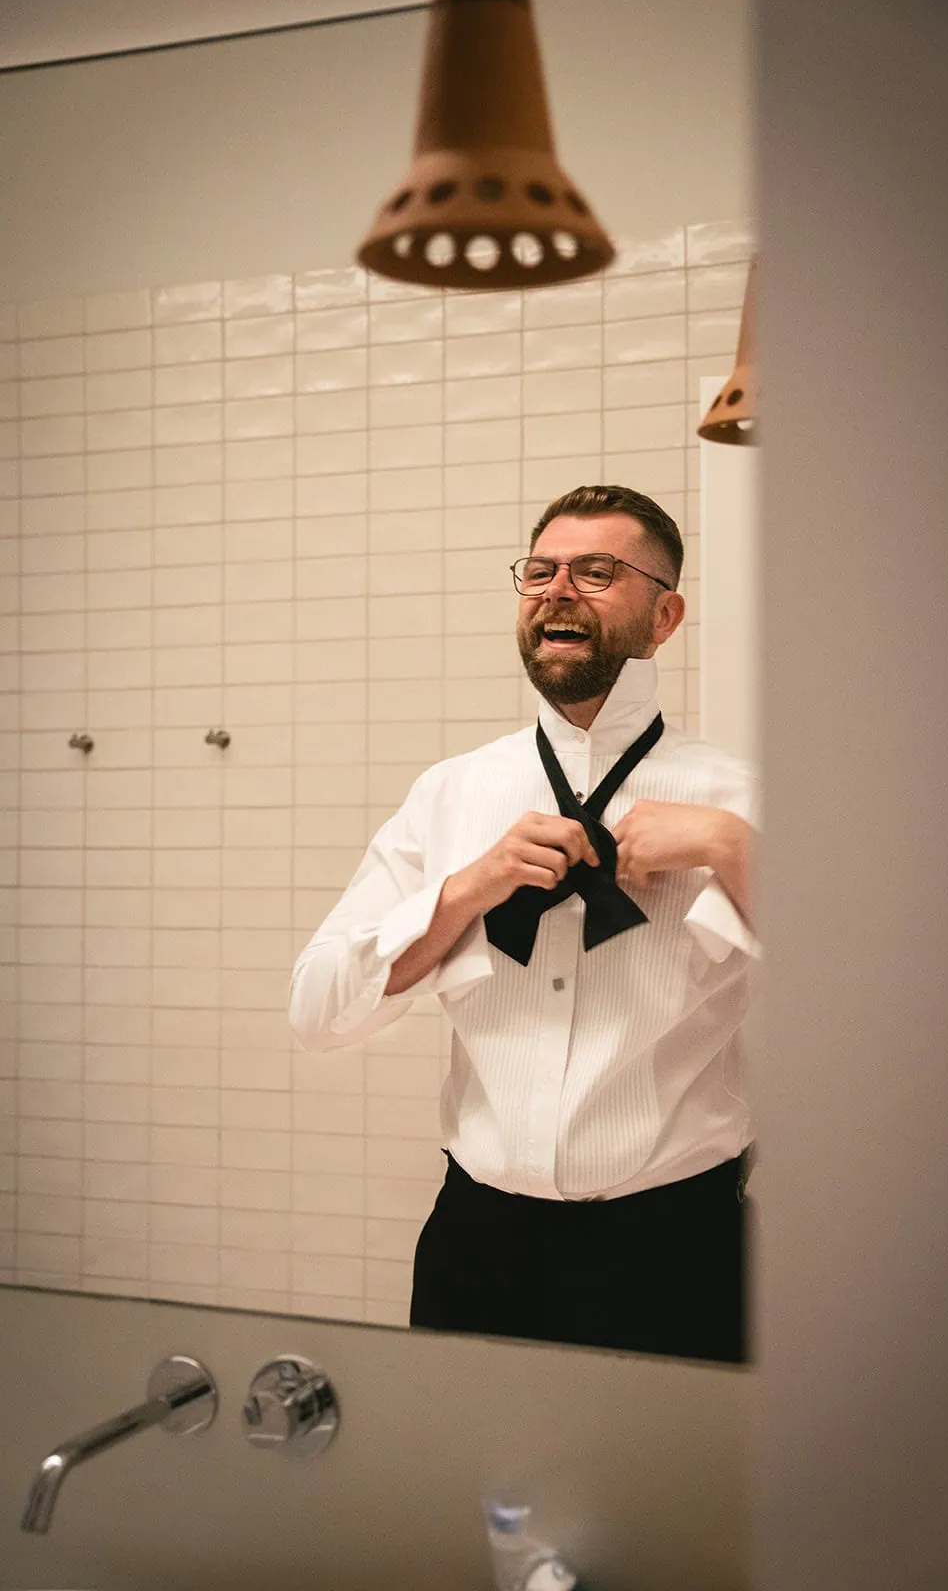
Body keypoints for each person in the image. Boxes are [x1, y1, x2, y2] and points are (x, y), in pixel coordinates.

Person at [289, 484, 759, 1361]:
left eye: (594, 571)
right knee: (461, 1493)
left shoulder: (740, 797)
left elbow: (875, 1004)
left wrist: (736, 849)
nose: (555, 590)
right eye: (539, 571)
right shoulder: (451, 795)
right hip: (480, 1248)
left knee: (678, 1497)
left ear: (665, 616)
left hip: (679, 1248)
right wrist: (465, 891)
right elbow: (317, 1010)